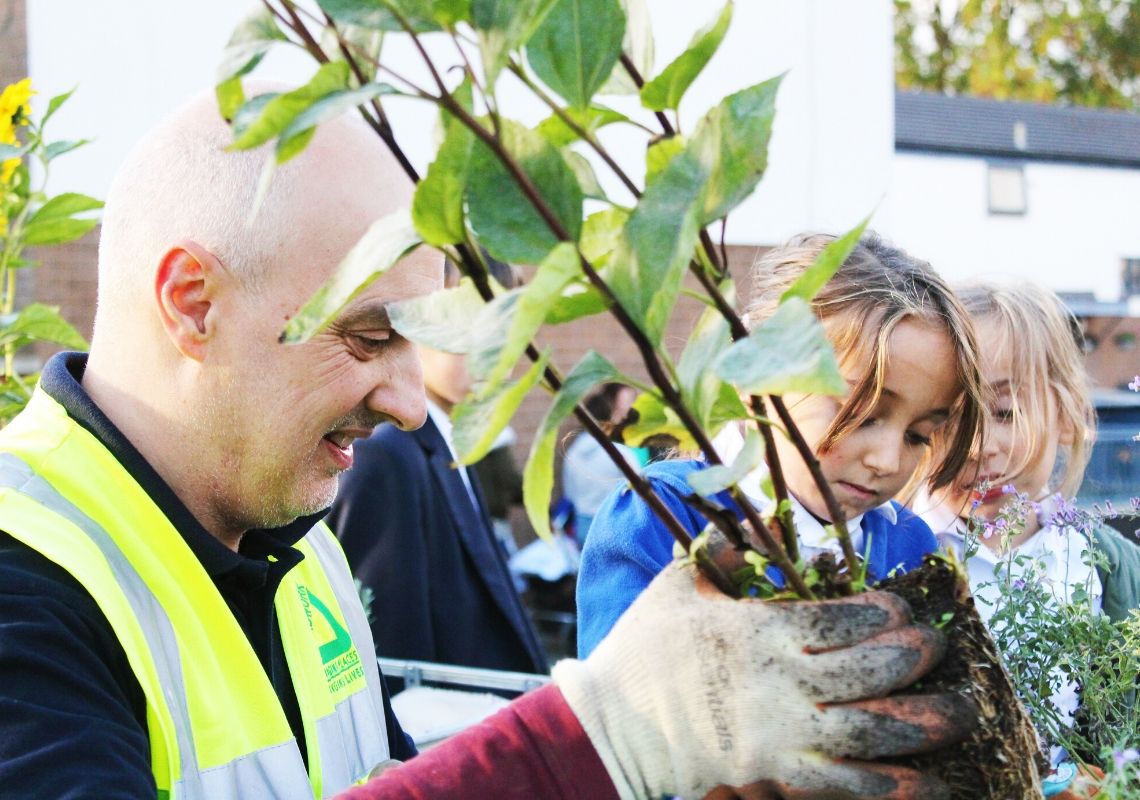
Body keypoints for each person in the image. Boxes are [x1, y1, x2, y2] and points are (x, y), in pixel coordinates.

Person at [0, 87, 975, 800]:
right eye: (371, 334)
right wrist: (606, 734)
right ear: (193, 303)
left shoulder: (302, 554)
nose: (414, 404)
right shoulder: (26, 585)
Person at [577, 232, 986, 657]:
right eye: (860, 413)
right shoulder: (662, 515)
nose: (886, 460)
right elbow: (612, 701)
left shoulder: (911, 545)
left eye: (918, 435)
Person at [913, 282, 1140, 769]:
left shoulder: (1109, 569)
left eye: (1004, 412)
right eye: (950, 419)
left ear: (1065, 414)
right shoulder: (896, 553)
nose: (976, 447)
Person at [326, 258, 547, 676]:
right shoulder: (388, 457)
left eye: (506, 330)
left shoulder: (448, 443)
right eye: (473, 326)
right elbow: (392, 655)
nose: (495, 350)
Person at [561, 383, 646, 542]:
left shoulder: (572, 453)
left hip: (583, 524)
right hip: (613, 522)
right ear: (610, 418)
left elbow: (569, 493)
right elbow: (641, 487)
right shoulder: (618, 453)